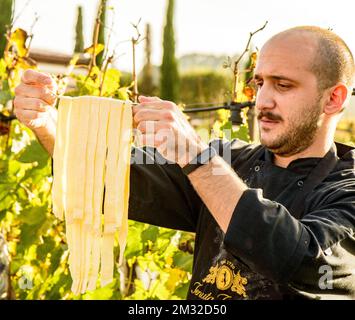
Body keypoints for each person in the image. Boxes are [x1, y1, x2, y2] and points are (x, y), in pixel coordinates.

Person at [13, 26, 355, 300]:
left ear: (333, 98)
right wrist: (48, 124)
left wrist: (196, 155)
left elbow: (301, 259)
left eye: (283, 85)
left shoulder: (347, 189)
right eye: (260, 82)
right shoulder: (230, 159)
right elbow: (106, 178)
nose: (263, 100)